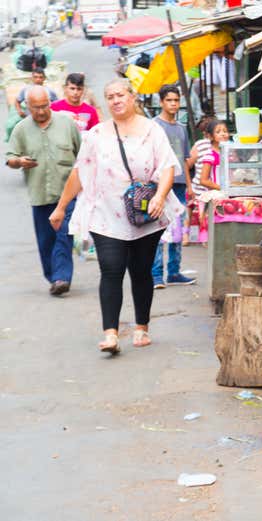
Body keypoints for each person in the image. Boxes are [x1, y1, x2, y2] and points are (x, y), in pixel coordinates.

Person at [49, 78, 184, 354]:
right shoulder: (96, 134)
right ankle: (110, 334)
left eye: (120, 95)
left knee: (140, 271)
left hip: (146, 213)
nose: (116, 100)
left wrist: (160, 196)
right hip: (105, 213)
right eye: (110, 97)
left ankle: (141, 328)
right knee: (110, 269)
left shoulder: (152, 131)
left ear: (133, 97)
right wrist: (61, 206)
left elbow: (168, 166)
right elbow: (80, 172)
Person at [6, 86, 81, 296]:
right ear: (27, 107)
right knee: (46, 241)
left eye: (44, 106)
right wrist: (19, 161)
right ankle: (53, 276)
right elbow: (10, 158)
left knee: (64, 235)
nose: (40, 111)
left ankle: (62, 277)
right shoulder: (21, 129)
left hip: (67, 194)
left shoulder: (67, 124)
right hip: (40, 195)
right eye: (35, 108)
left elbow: (83, 155)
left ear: (50, 103)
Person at [151, 84, 196, 289]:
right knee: (158, 231)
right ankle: (156, 274)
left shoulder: (181, 128)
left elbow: (185, 160)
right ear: (161, 102)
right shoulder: (153, 126)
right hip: (158, 186)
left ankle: (175, 272)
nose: (173, 104)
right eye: (169, 100)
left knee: (177, 231)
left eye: (176, 100)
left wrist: (189, 186)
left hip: (178, 186)